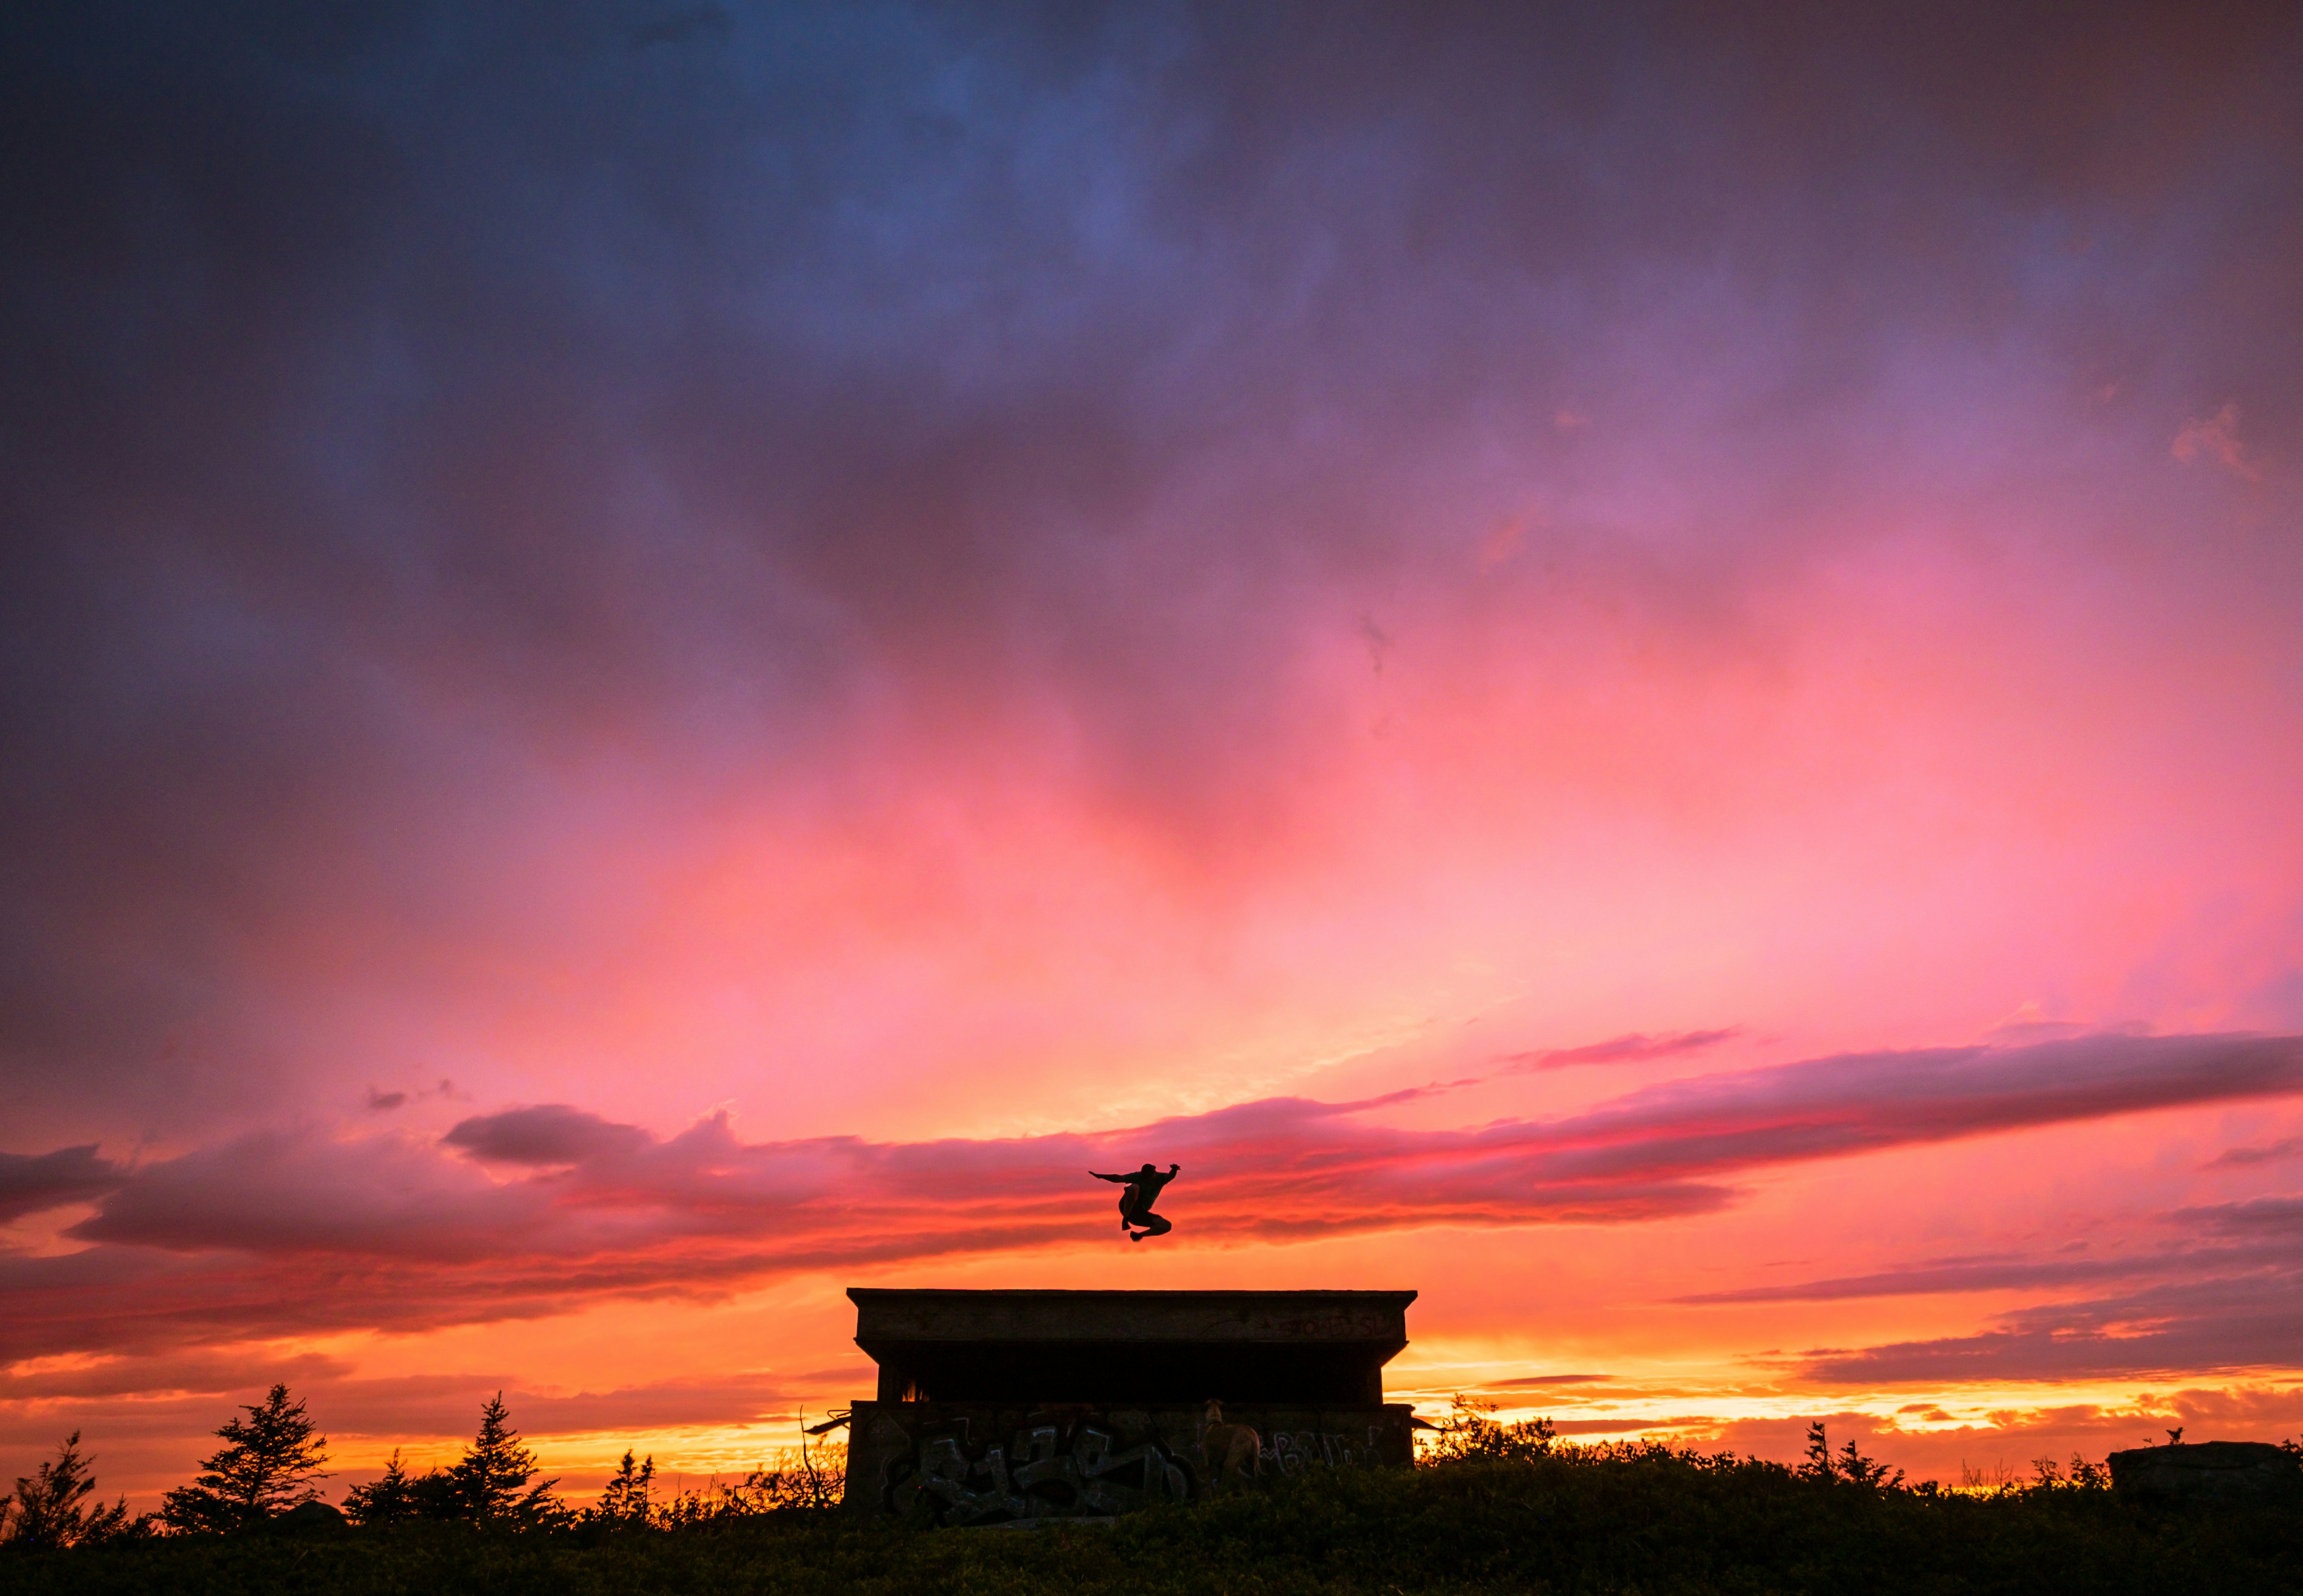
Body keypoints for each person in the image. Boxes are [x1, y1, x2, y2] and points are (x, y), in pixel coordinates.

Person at [1090, 1162, 1180, 1241]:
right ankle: (1125, 1219)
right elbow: (1119, 1178)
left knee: (1167, 1225)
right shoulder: (1137, 1177)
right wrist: (1101, 1176)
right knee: (1134, 1187)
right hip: (1127, 1205)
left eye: (1150, 1179)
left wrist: (1174, 1170)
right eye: (1146, 1179)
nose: (1148, 1181)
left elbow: (1170, 1176)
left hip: (1140, 1214)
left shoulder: (1160, 1178)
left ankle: (1139, 1235)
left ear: (1154, 1175)